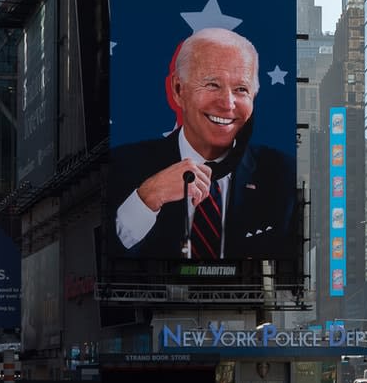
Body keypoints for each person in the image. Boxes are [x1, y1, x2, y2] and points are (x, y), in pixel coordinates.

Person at [111, 28, 297, 259]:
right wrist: (147, 198)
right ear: (179, 90)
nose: (228, 104)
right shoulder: (122, 164)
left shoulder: (283, 175)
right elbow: (107, 252)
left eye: (241, 89)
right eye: (212, 85)